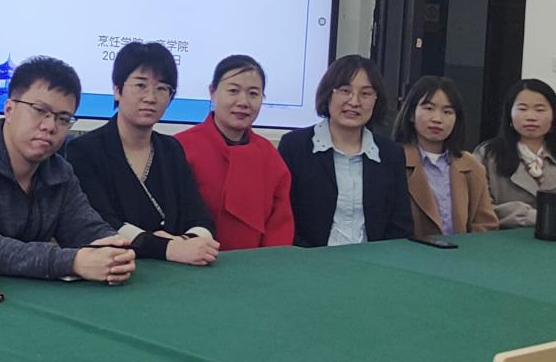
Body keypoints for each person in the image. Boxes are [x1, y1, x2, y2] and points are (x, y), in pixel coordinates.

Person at [0, 56, 135, 283]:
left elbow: (86, 228)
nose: (50, 126)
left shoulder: (59, 171)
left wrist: (114, 250)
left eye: (63, 119)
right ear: (9, 109)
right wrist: (72, 262)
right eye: (40, 110)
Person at [67, 42, 219, 265]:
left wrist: (187, 243)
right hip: (119, 268)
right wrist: (167, 248)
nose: (151, 97)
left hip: (179, 269)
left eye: (162, 88)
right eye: (140, 85)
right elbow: (102, 223)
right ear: (117, 89)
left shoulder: (171, 149)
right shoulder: (84, 150)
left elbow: (200, 216)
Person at [277, 54, 412, 247]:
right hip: (309, 260)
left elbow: (400, 226)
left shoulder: (390, 154)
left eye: (365, 94)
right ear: (328, 94)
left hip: (375, 262)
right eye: (345, 91)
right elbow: (283, 219)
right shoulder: (295, 147)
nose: (354, 102)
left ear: (376, 100)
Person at [175, 55, 294, 250]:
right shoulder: (180, 147)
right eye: (233, 91)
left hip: (258, 264)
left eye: (253, 94)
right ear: (212, 92)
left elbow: (280, 227)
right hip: (191, 260)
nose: (243, 102)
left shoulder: (269, 156)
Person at [473, 78, 556, 228]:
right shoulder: (487, 154)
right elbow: (479, 208)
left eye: (540, 110)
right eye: (522, 109)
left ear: (554, 116)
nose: (531, 117)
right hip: (505, 237)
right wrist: (528, 215)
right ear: (509, 114)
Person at [391, 76, 497, 236]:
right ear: (411, 114)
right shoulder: (394, 160)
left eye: (447, 112)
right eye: (428, 108)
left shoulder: (471, 166)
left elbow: (486, 224)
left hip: (462, 250)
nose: (437, 119)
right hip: (409, 250)